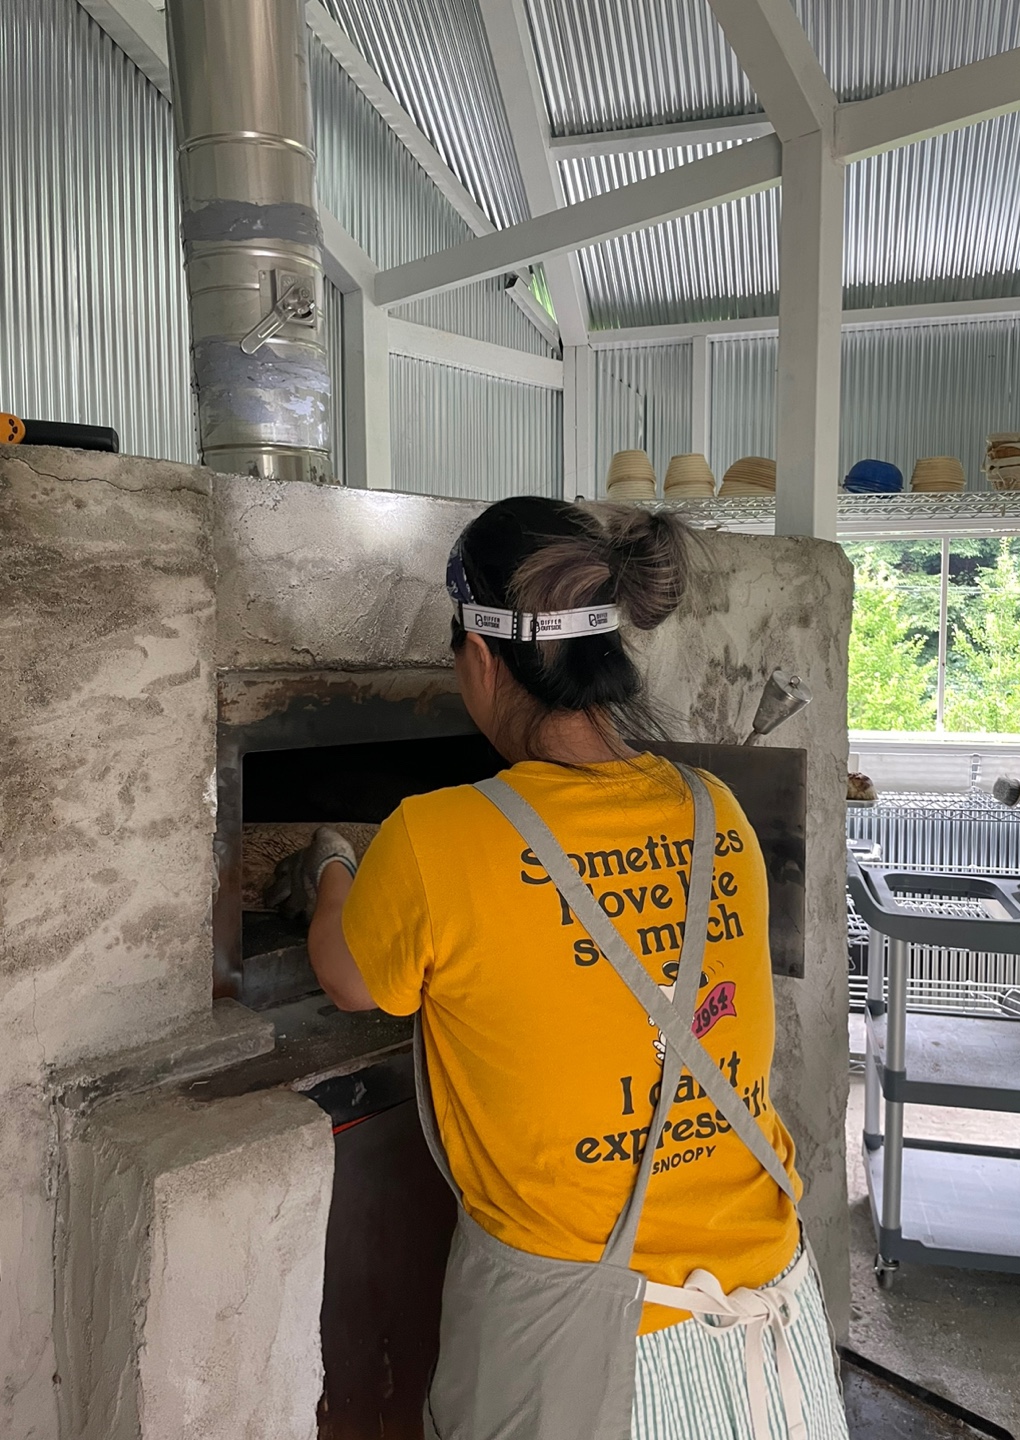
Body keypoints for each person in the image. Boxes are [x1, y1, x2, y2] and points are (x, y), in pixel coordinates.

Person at [272, 496, 848, 1440]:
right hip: (772, 1332)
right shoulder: (717, 810)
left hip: (578, 1354)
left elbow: (348, 978)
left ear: (479, 655)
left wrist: (333, 865)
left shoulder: (436, 837)